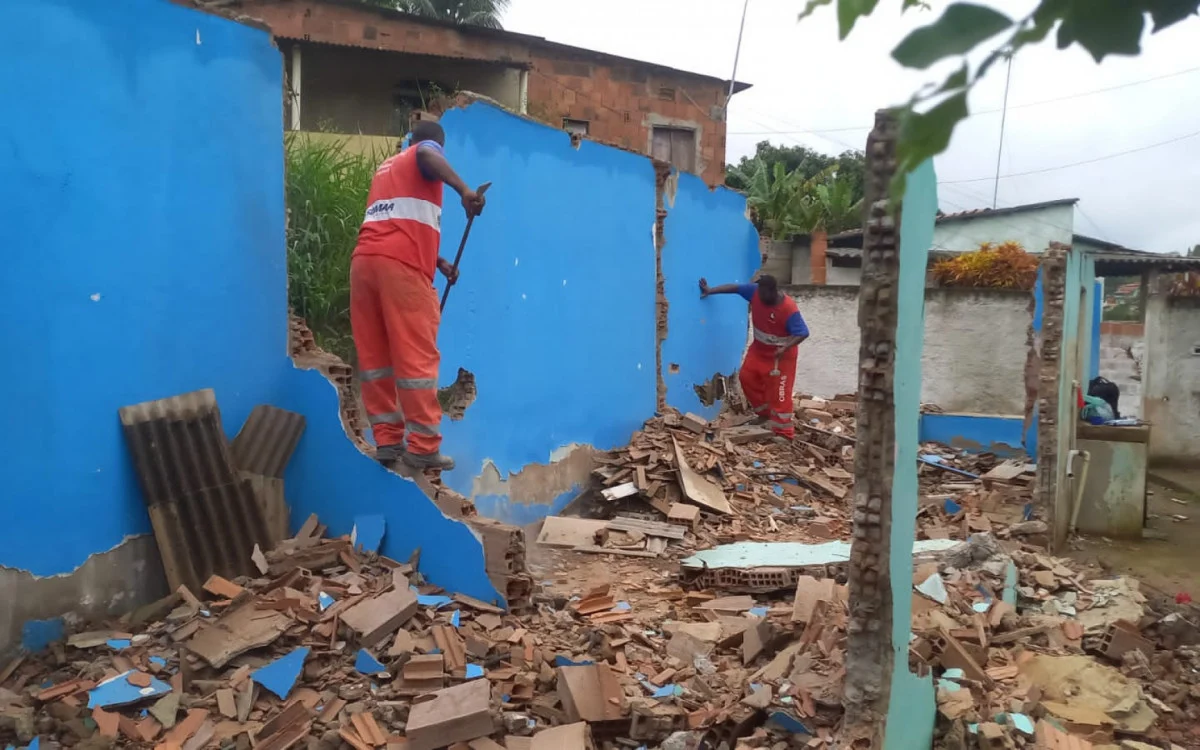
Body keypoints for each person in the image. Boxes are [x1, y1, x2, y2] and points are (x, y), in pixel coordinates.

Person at [350, 120, 486, 470]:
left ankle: (387, 441)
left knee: (376, 357)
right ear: (435, 144)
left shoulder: (387, 169)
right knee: (416, 356)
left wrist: (437, 261)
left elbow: (396, 223)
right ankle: (424, 445)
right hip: (401, 267)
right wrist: (464, 191)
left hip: (366, 263)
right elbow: (428, 154)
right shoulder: (424, 152)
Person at [699, 275, 808, 438]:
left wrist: (785, 347)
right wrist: (710, 290)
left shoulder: (788, 308)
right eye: (759, 293)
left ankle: (784, 433)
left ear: (773, 291)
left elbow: (803, 333)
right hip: (759, 351)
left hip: (782, 357)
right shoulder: (755, 292)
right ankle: (764, 414)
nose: (761, 297)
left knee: (780, 393)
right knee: (746, 377)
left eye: (764, 294)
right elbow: (734, 288)